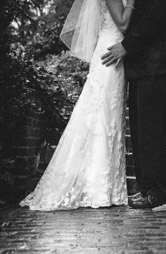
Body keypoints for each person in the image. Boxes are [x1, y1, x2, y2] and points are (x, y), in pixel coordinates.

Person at [21, 0, 135, 211]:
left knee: (110, 116)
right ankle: (96, 188)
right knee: (101, 114)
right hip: (110, 54)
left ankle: (108, 186)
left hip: (116, 54)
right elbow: (124, 24)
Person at [101, 0, 166, 210]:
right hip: (142, 66)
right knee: (141, 132)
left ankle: (160, 191)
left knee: (153, 131)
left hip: (159, 64)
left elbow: (157, 15)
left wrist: (127, 46)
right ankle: (147, 188)